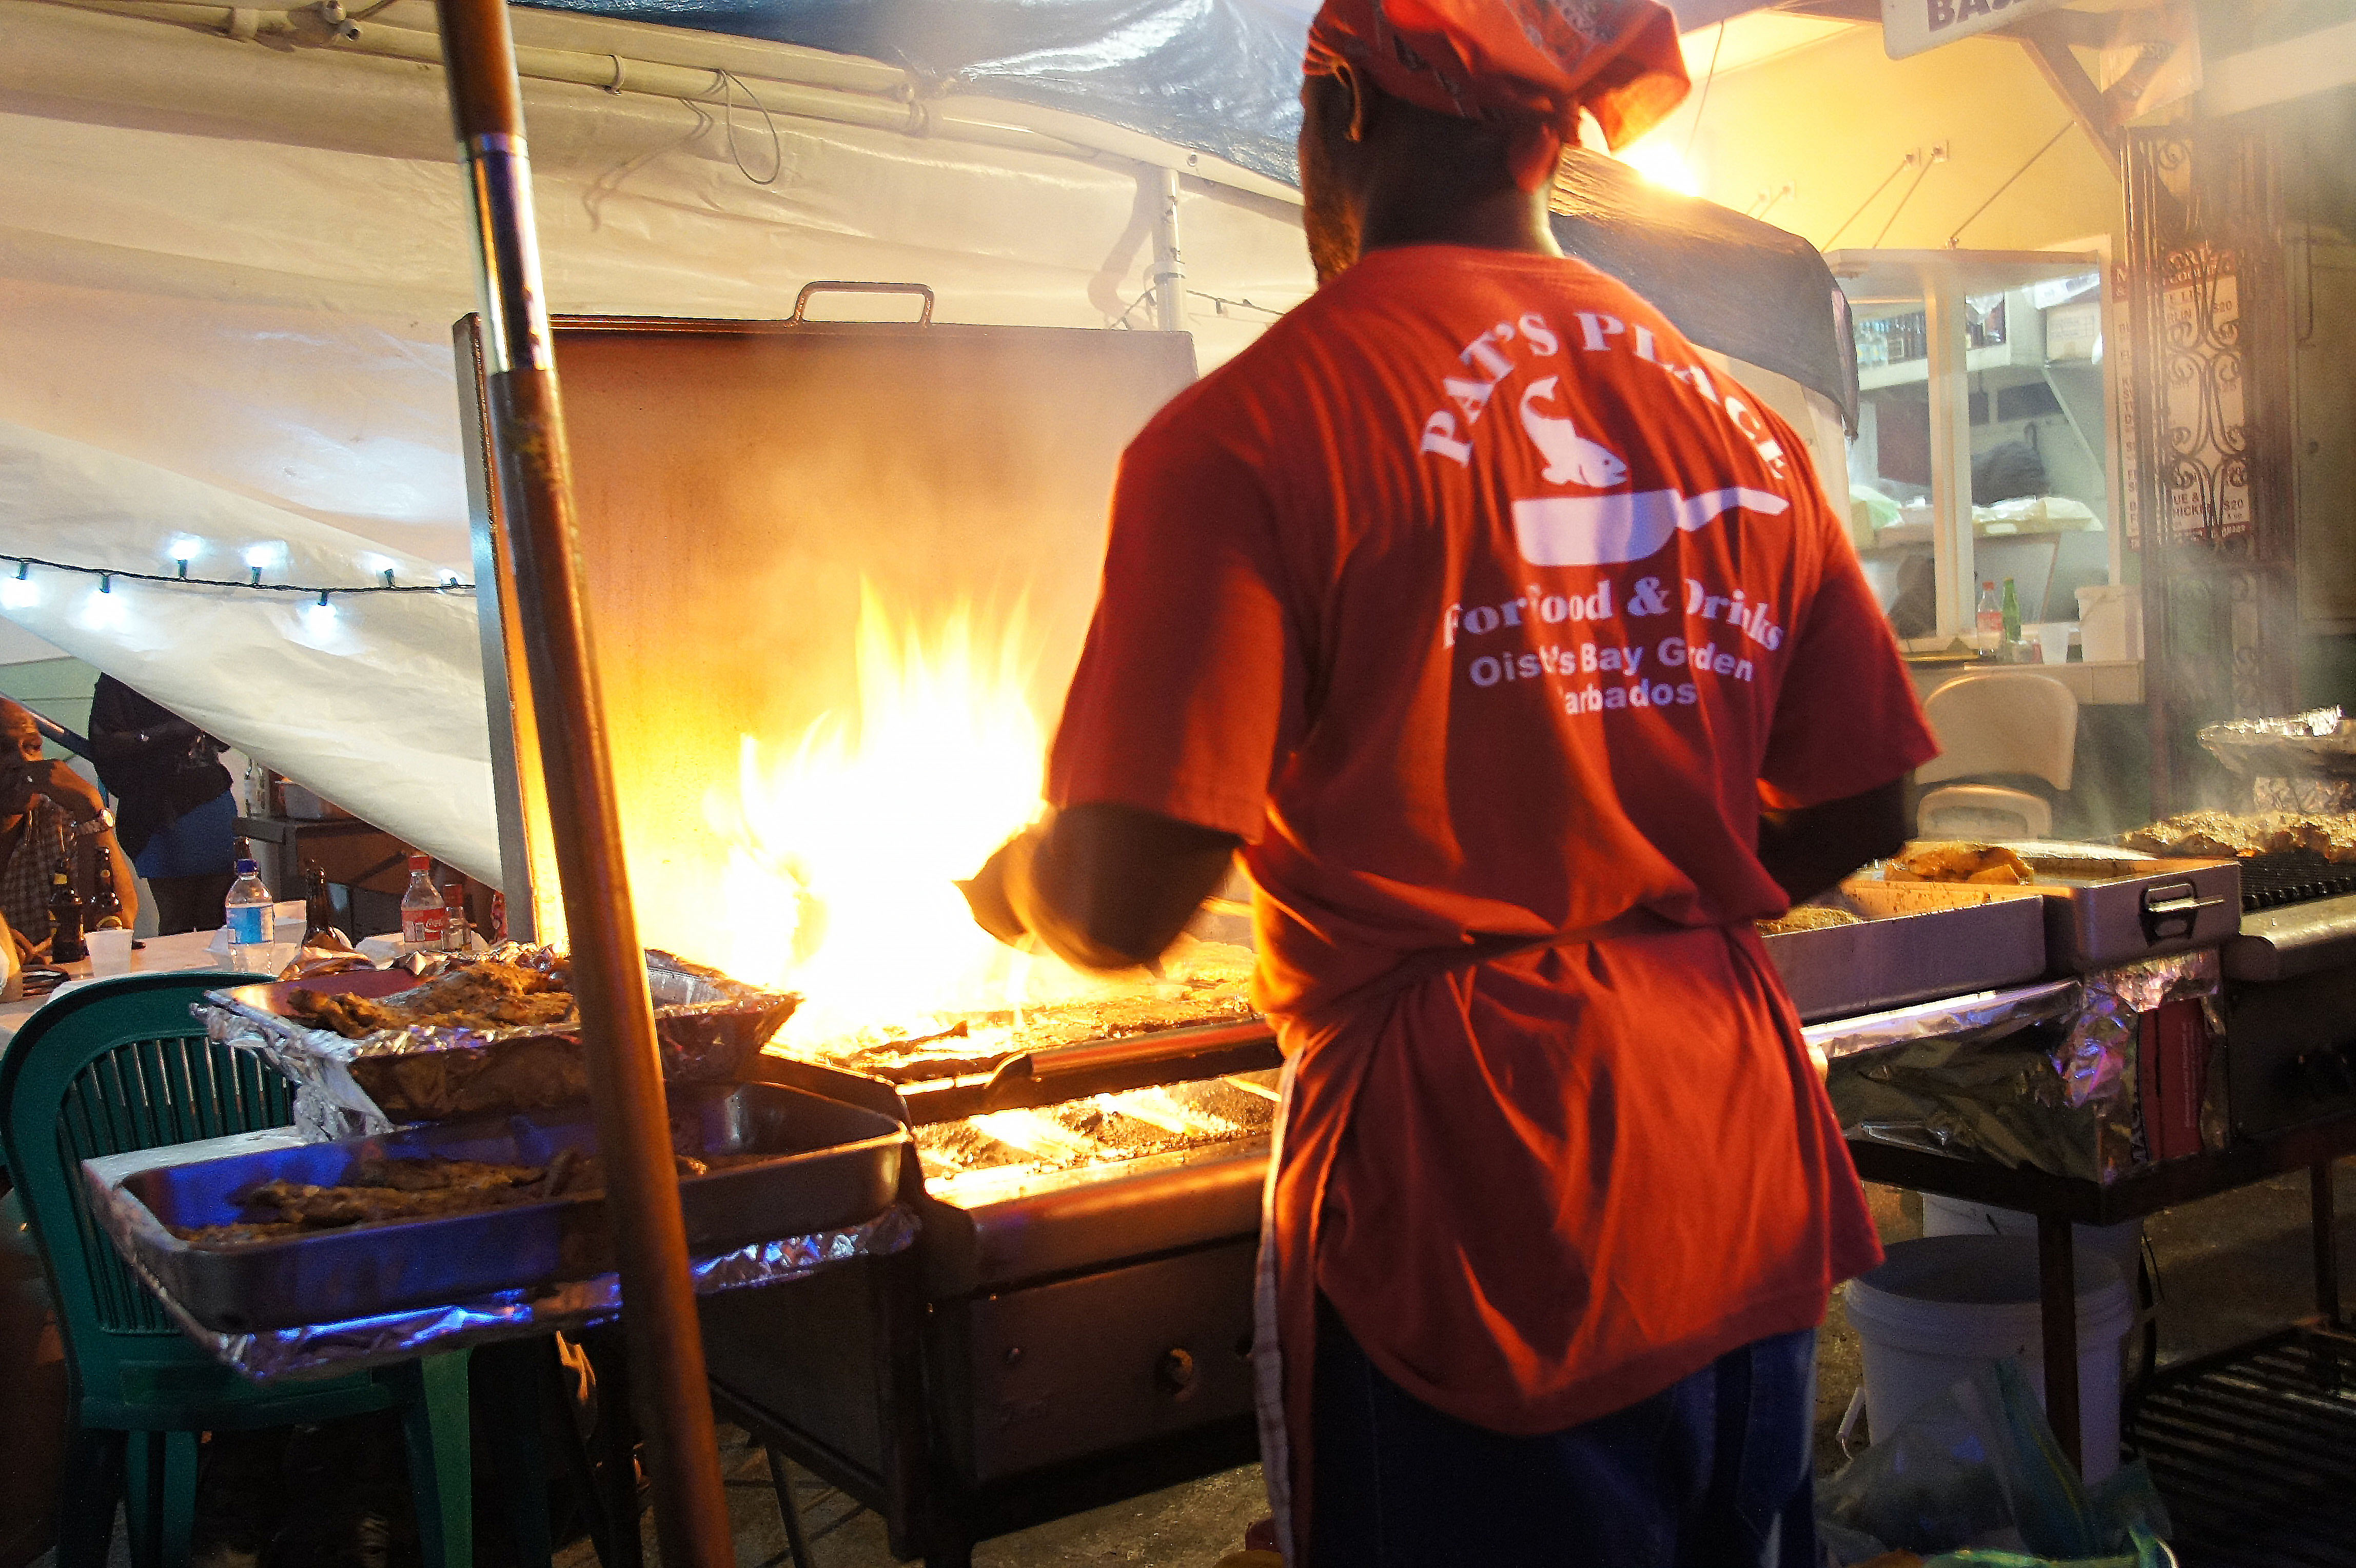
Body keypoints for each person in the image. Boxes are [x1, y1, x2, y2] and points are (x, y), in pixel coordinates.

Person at [958, 2, 1940, 1562]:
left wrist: (1015, 881)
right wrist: (1641, 881)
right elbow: (1869, 802)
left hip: (1480, 1198)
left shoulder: (1254, 429)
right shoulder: (1738, 420)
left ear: (1343, 108)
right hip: (1737, 1156)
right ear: (1544, 138)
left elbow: (1128, 894)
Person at [87, 673, 237, 934]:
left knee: (219, 917)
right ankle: (179, 975)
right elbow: (106, 745)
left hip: (210, 799)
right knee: (176, 918)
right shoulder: (119, 674)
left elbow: (224, 739)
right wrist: (167, 732)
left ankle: (222, 975)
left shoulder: (189, 665)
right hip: (156, 812)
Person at [0, 698, 138, 957]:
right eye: (2, 749)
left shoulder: (62, 822)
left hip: (56, 992)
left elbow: (116, 927)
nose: (22, 760)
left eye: (33, 747)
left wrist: (89, 807)